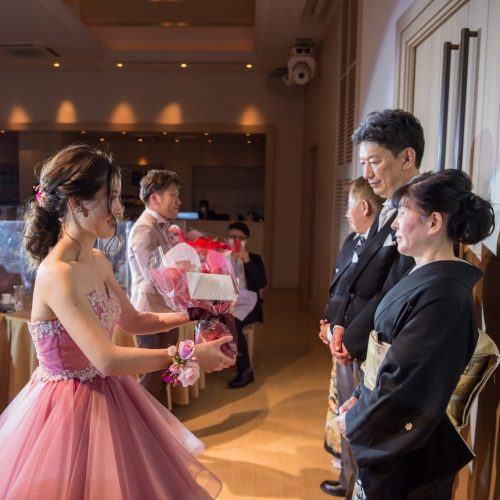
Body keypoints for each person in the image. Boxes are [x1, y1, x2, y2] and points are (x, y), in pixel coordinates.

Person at [0, 145, 234, 499]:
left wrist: (195, 312)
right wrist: (192, 354)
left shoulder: (97, 259)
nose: (119, 208)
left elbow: (135, 320)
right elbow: (107, 359)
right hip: (65, 412)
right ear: (78, 203)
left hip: (110, 395)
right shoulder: (57, 273)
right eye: (110, 197)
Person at [336, 169, 495, 499]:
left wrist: (356, 421)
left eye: (403, 213)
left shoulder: (444, 297)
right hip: (387, 426)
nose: (394, 224)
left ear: (434, 222)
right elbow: (386, 360)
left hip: (410, 452)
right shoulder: (423, 277)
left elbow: (405, 383)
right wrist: (360, 397)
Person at [322, 109, 424, 497]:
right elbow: (355, 279)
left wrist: (349, 338)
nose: (366, 174)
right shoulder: (386, 209)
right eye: (363, 163)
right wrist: (339, 324)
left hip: (377, 350)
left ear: (407, 158)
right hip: (358, 340)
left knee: (368, 440)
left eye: (375, 162)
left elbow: (392, 290)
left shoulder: (414, 215)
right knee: (352, 428)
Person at [318, 177, 383, 491]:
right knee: (342, 408)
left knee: (353, 415)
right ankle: (346, 477)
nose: (346, 213)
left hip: (357, 344)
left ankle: (353, 484)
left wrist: (346, 339)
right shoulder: (352, 241)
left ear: (365, 206)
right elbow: (340, 290)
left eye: (349, 206)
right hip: (340, 336)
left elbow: (371, 299)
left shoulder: (383, 246)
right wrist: (328, 324)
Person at [127, 169, 182, 405]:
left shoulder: (161, 226)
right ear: (155, 198)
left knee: (166, 373)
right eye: (173, 195)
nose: (178, 201)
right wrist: (183, 271)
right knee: (150, 378)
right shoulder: (145, 228)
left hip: (166, 309)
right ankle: (146, 424)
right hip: (150, 312)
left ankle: (161, 421)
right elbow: (153, 277)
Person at [227, 222, 267, 388]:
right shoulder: (221, 257)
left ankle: (245, 370)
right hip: (226, 300)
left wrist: (248, 261)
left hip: (249, 300)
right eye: (232, 236)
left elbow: (261, 282)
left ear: (246, 240)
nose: (236, 240)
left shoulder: (255, 258)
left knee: (233, 322)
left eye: (241, 237)